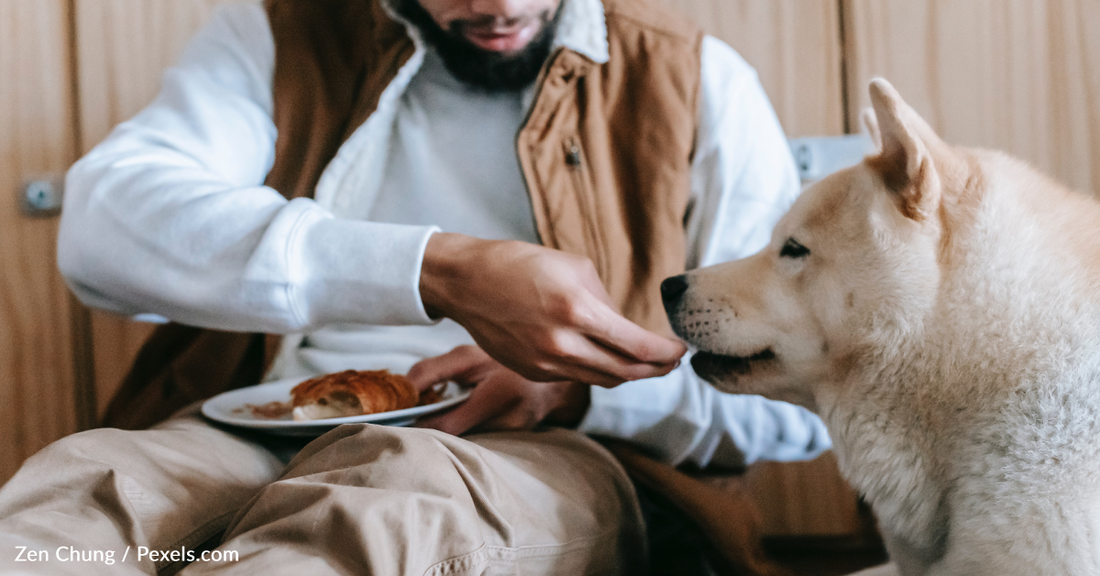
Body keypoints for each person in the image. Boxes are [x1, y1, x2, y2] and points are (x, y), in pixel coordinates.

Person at [0, 0, 830, 574]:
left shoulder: (693, 80)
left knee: (390, 509)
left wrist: (572, 398)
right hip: (265, 422)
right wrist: (439, 270)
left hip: (549, 455)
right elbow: (101, 227)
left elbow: (800, 404)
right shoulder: (277, 36)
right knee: (84, 496)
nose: (500, 7)